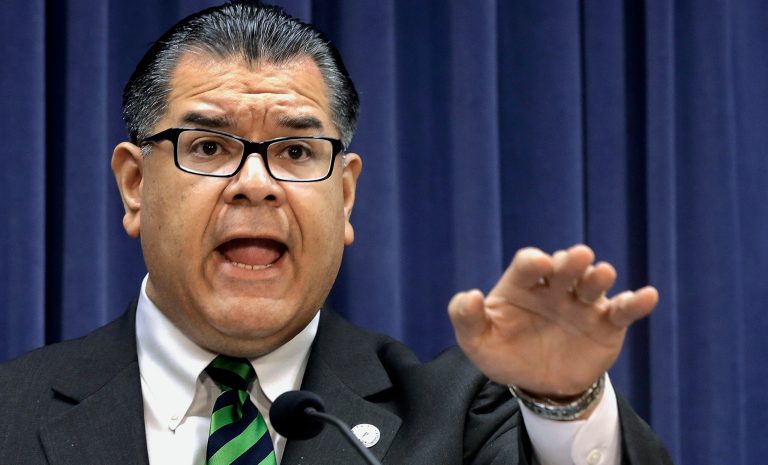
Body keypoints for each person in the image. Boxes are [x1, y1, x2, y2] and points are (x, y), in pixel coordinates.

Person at [0, 2, 671, 464]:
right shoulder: (10, 414)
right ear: (135, 184)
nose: (255, 183)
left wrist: (563, 405)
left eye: (295, 153)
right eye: (208, 147)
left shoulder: (459, 418)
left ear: (345, 194)